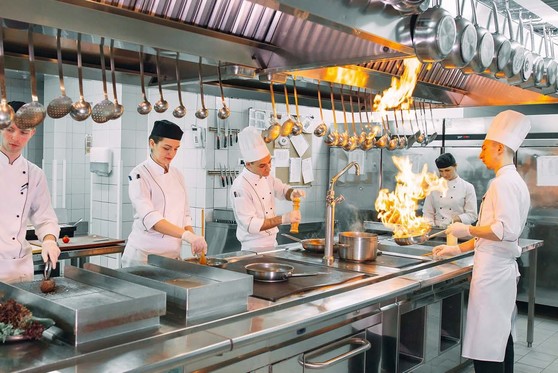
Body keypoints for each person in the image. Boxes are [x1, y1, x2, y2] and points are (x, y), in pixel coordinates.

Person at [433, 110, 531, 373]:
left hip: (493, 276)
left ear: (499, 147)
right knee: (499, 339)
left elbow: (504, 231)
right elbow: (491, 235)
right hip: (496, 270)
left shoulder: (504, 184)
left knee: (487, 345)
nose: (480, 154)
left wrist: (467, 228)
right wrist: (457, 247)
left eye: (484, 147)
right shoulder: (509, 181)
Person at [122, 120, 207, 267]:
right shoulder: (139, 175)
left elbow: (185, 215)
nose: (171, 154)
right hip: (143, 258)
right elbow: (151, 219)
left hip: (172, 257)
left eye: (176, 149)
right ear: (152, 143)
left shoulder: (177, 174)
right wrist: (186, 236)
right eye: (167, 148)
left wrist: (194, 238)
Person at [0, 101, 60, 283]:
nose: (15, 138)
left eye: (23, 132)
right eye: (10, 129)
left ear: (32, 133)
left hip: (19, 268)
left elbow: (45, 217)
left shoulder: (35, 174)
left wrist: (49, 241)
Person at [230, 126, 304, 252]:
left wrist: (292, 193)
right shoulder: (240, 187)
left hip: (272, 244)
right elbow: (251, 224)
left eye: (269, 162)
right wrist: (283, 219)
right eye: (263, 166)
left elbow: (282, 190)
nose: (268, 168)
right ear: (248, 164)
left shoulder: (267, 176)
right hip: (252, 248)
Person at [423, 152, 478, 228]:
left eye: (447, 170)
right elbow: (427, 212)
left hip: (459, 231)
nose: (444, 174)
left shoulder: (467, 187)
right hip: (436, 231)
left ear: (455, 166)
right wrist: (431, 226)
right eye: (441, 171)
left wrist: (453, 220)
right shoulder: (434, 187)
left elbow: (472, 215)